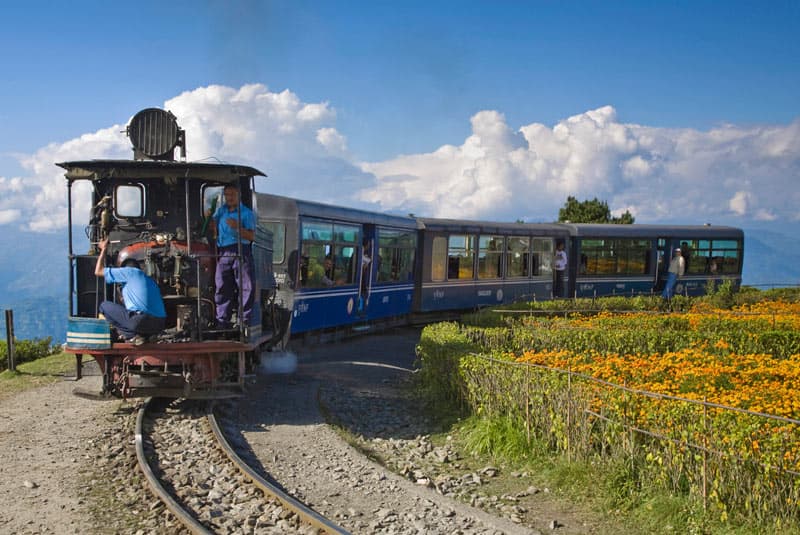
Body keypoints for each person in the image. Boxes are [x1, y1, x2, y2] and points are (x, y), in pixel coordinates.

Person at [95, 238, 166, 345]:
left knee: (104, 306)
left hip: (141, 320)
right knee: (135, 319)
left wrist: (103, 249)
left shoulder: (129, 272)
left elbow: (98, 271)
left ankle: (133, 336)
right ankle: (148, 336)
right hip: (160, 324)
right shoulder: (149, 280)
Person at [209, 184, 256, 328]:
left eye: (232, 195)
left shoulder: (247, 214)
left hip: (241, 250)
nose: (229, 198)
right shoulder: (221, 211)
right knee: (222, 285)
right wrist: (209, 218)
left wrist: (237, 227)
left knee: (245, 286)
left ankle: (243, 321)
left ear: (238, 196)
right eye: (227, 195)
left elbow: (252, 236)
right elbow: (212, 226)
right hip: (223, 251)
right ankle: (222, 320)